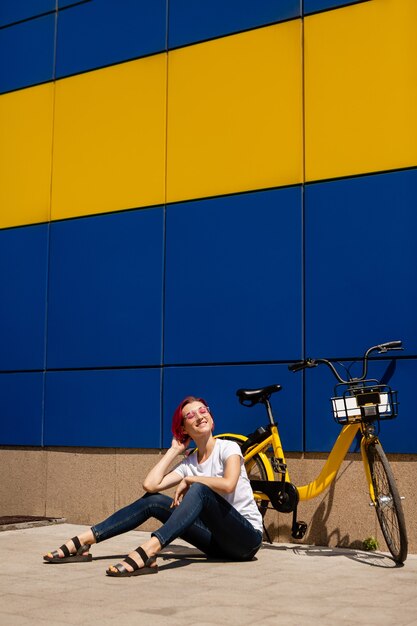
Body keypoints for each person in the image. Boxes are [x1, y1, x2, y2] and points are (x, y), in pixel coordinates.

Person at [43, 396, 263, 577]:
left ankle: (150, 549)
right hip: (216, 543)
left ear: (211, 419)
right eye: (190, 415)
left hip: (246, 541)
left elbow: (228, 484)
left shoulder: (229, 448)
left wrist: (192, 480)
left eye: (203, 410)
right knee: (153, 501)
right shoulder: (190, 462)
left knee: (199, 489)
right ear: (184, 429)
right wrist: (174, 451)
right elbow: (150, 485)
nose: (199, 416)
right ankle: (85, 540)